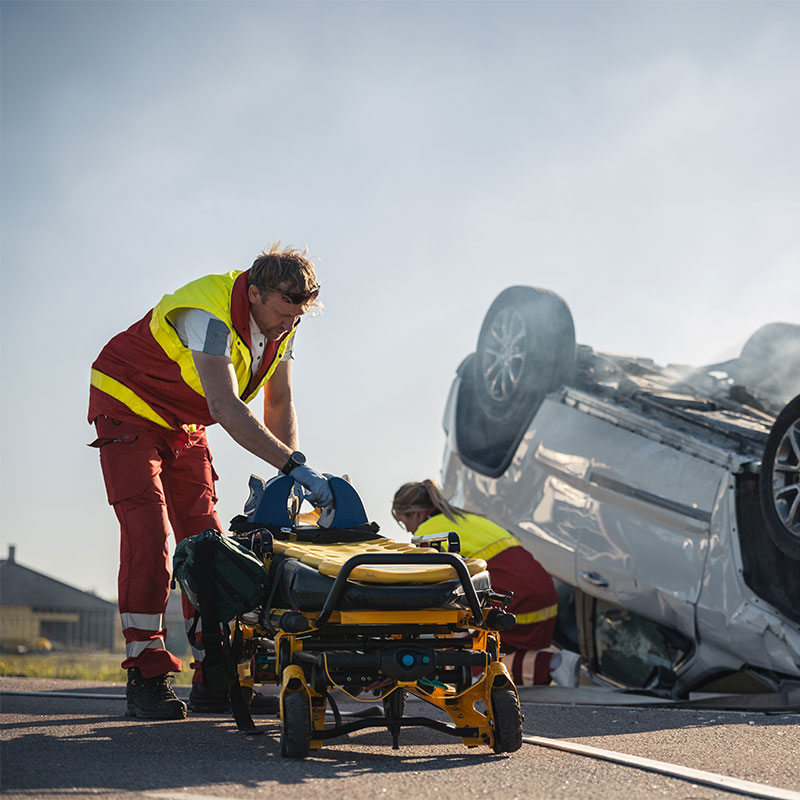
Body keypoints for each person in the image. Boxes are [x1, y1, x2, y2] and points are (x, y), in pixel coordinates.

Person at [89, 243, 333, 720]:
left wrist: (290, 473)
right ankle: (147, 675)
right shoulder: (208, 313)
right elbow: (225, 406)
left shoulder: (283, 324)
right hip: (127, 405)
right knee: (150, 538)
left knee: (210, 546)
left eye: (297, 316)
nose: (288, 325)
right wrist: (292, 467)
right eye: (283, 313)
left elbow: (278, 404)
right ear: (256, 293)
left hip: (182, 421)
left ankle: (216, 677)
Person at [392, 479, 561, 686]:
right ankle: (552, 664)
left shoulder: (427, 535)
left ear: (414, 514)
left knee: (466, 654)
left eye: (403, 522)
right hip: (545, 600)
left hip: (514, 602)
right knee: (495, 648)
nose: (407, 530)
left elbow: (427, 589)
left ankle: (553, 665)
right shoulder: (469, 519)